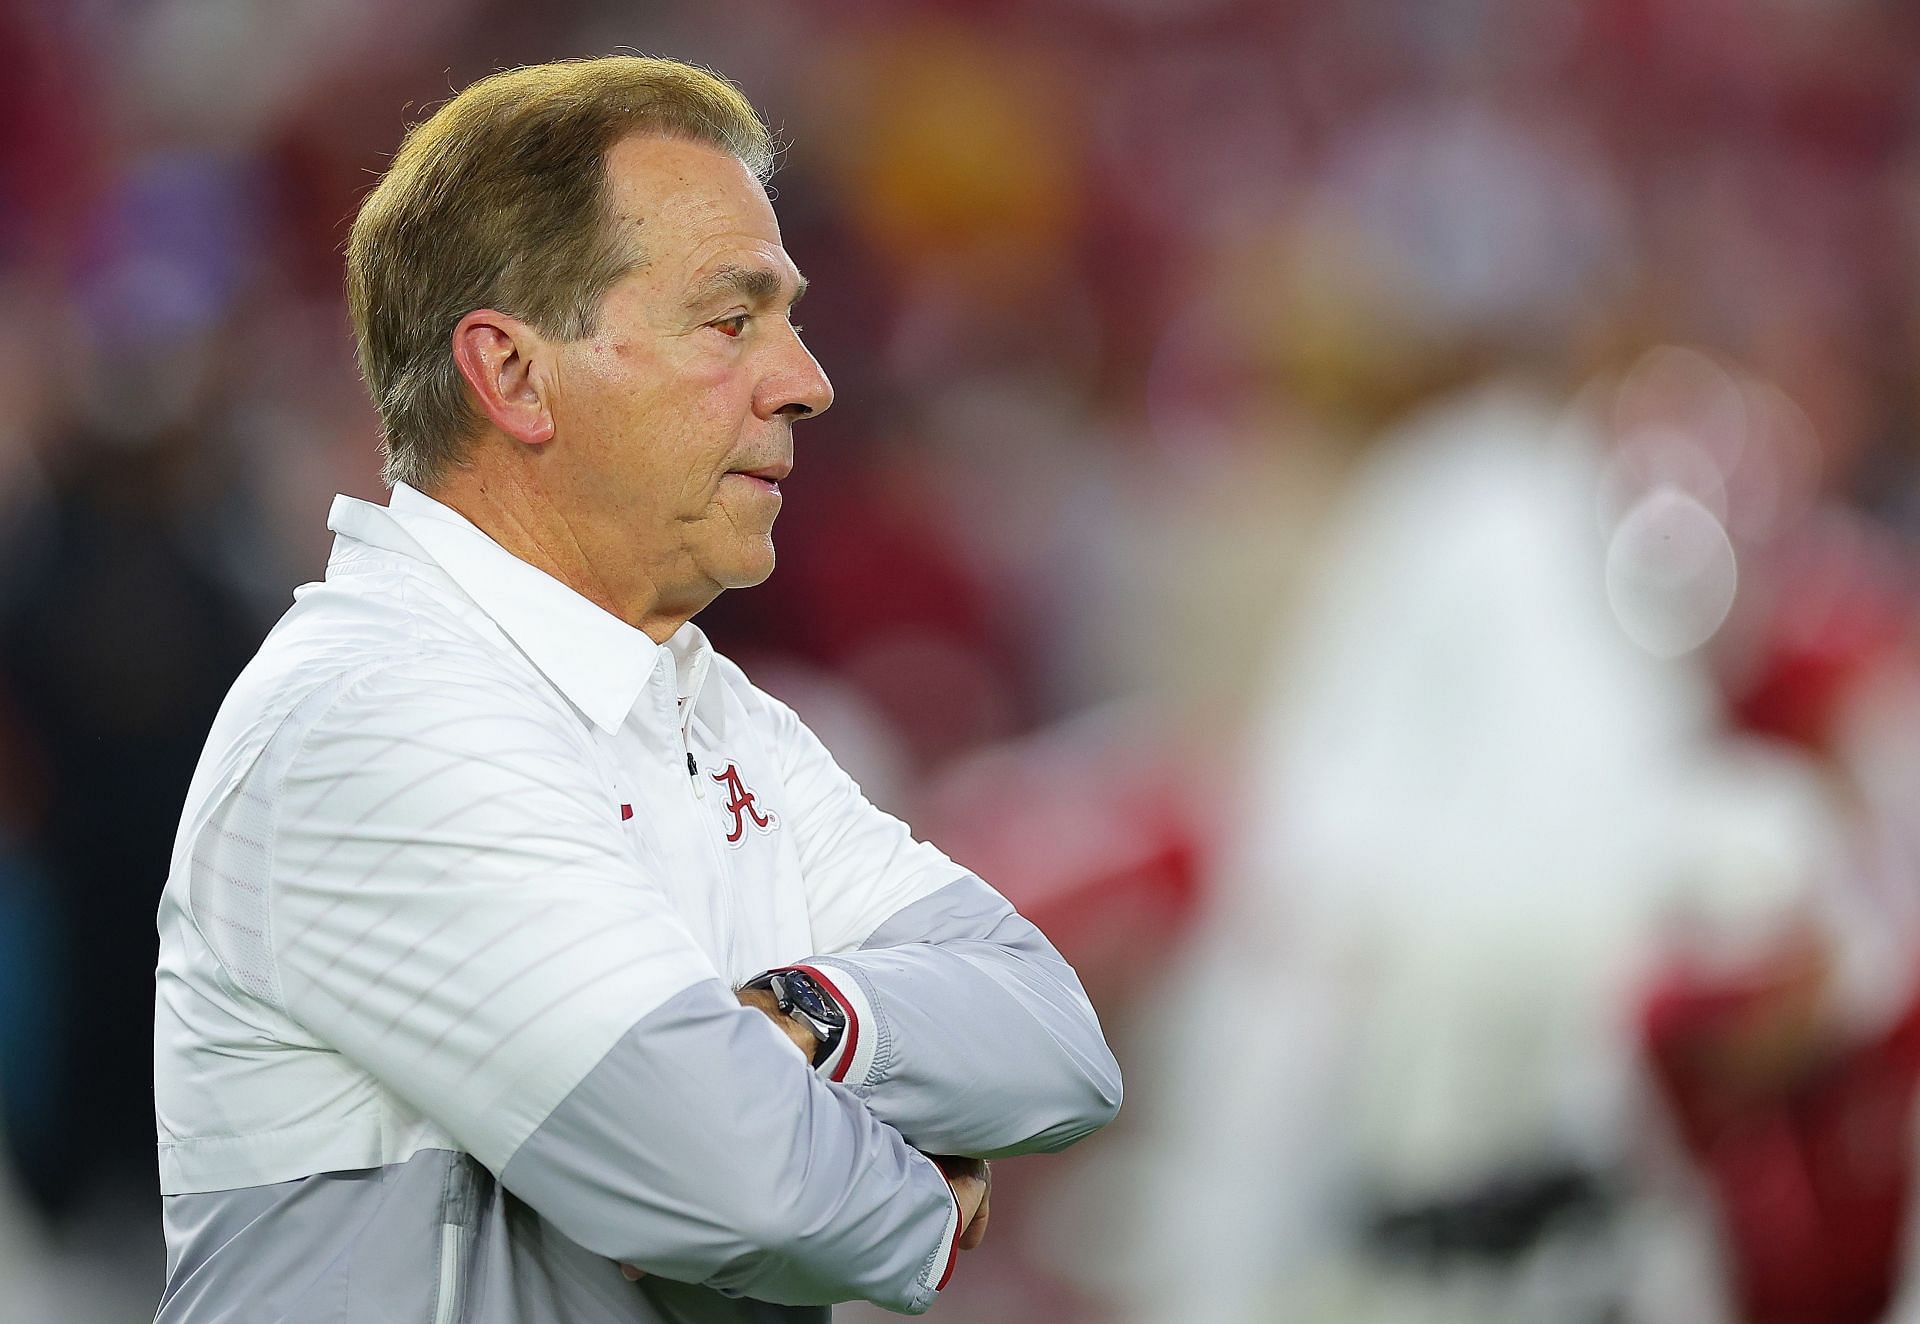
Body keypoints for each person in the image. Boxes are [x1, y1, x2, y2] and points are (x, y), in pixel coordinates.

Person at [151, 56, 1121, 1323]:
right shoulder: (371, 715)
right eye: (731, 322)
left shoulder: (715, 714)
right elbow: (749, 1189)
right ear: (511, 374)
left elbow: (1057, 1038)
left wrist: (806, 1019)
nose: (806, 379)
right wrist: (924, 1200)